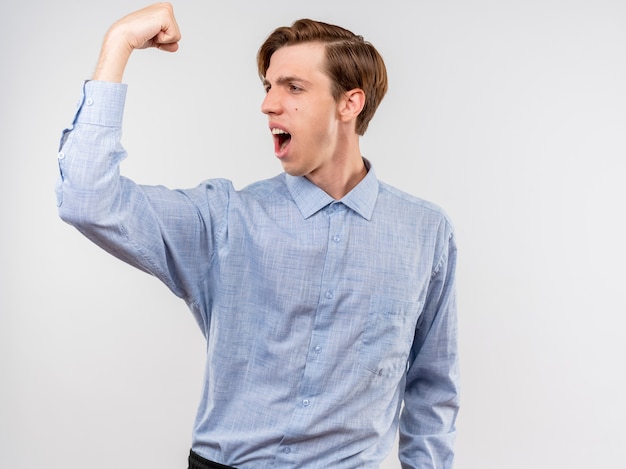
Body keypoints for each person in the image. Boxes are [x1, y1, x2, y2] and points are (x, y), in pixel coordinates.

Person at [56, 3, 459, 468]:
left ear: (350, 103)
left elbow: (433, 389)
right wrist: (119, 42)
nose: (268, 103)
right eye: (268, 86)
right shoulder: (225, 219)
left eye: (293, 87)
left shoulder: (425, 231)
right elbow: (86, 199)